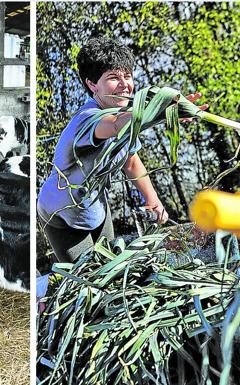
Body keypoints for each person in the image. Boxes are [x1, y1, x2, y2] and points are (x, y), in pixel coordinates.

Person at [37, 36, 206, 263]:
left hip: (95, 208)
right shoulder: (86, 119)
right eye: (113, 78)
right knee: (88, 278)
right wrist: (159, 109)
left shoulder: (127, 119)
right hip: (61, 214)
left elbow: (131, 161)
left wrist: (154, 202)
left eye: (127, 76)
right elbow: (114, 125)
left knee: (112, 264)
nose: (124, 84)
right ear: (92, 84)